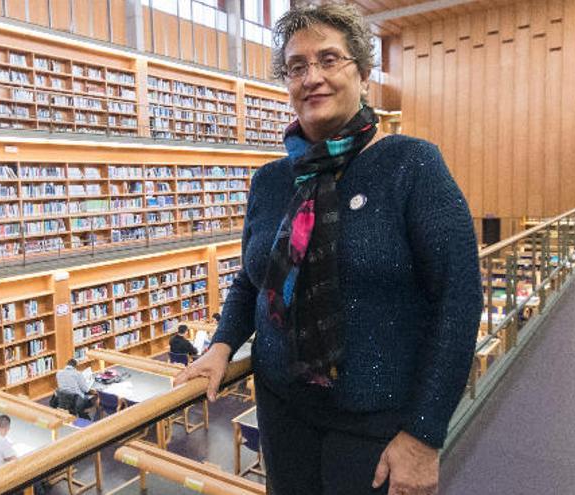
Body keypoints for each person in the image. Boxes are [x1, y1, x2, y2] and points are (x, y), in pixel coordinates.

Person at [176, 3, 482, 495]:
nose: (312, 77)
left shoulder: (412, 165)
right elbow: (250, 279)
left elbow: (459, 300)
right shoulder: (272, 181)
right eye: (297, 66)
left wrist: (425, 434)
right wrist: (221, 344)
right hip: (283, 411)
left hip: (375, 420)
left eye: (329, 59)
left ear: (362, 75)